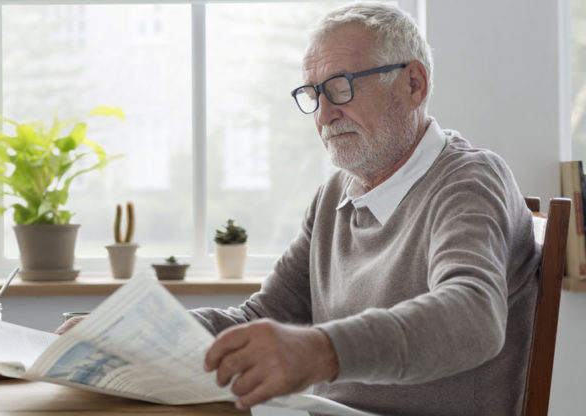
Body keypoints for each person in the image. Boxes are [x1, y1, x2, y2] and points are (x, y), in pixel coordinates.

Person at [189, 2, 540, 415]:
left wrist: (322, 351)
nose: (324, 115)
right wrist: (159, 331)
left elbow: (472, 317)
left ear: (414, 84)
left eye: (341, 87)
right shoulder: (334, 195)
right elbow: (262, 316)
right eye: (313, 93)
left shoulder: (469, 182)